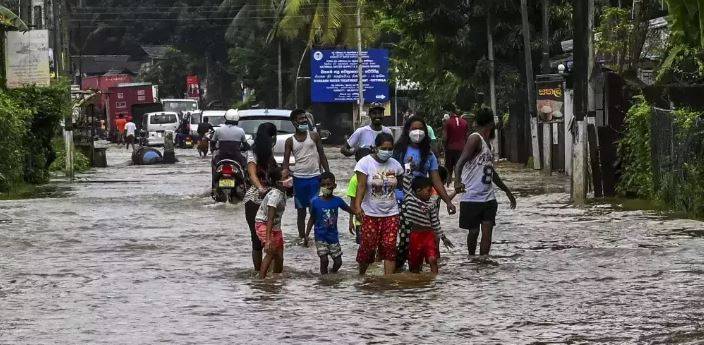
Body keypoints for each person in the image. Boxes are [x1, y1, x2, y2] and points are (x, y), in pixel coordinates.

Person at [393, 116, 457, 270]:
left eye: (421, 129)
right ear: (407, 130)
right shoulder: (399, 150)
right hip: (403, 200)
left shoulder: (429, 155)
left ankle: (419, 276)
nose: (417, 132)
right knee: (404, 241)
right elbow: (395, 174)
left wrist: (448, 201)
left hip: (423, 201)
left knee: (425, 236)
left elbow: (436, 180)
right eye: (414, 128)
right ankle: (398, 271)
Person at [453, 108, 517, 256]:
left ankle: (484, 263)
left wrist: (506, 190)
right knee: (474, 232)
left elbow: (491, 173)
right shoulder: (475, 139)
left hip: (488, 198)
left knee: (487, 233)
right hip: (471, 197)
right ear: (490, 123)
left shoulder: (489, 143)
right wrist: (457, 181)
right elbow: (460, 162)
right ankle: (471, 258)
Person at [353, 132, 404, 276]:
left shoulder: (396, 165)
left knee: (389, 247)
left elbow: (400, 187)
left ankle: (387, 281)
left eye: (390, 149)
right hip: (370, 213)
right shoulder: (365, 163)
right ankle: (361, 275)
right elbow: (361, 186)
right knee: (368, 248)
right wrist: (357, 206)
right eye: (384, 148)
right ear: (375, 147)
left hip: (391, 213)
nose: (387, 152)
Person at [283, 109, 330, 239]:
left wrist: (328, 173)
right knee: (301, 212)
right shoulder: (290, 141)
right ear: (294, 122)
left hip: (315, 178)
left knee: (315, 209)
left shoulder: (314, 136)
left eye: (305, 118)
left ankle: (317, 236)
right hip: (299, 180)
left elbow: (322, 154)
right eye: (300, 119)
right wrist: (284, 175)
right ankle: (302, 238)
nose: (304, 120)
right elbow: (285, 163)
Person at [244, 123, 279, 271]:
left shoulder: (268, 154)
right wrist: (261, 188)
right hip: (262, 197)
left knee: (258, 239)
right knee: (269, 236)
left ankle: (260, 274)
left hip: (262, 198)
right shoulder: (254, 154)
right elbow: (252, 174)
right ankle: (267, 274)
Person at [402, 177, 454, 274]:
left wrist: (443, 238)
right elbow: (406, 183)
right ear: (418, 191)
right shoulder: (410, 198)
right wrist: (409, 168)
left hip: (428, 235)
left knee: (433, 259)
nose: (430, 193)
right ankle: (419, 284)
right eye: (428, 191)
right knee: (415, 265)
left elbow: (435, 223)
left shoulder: (431, 204)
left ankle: (434, 280)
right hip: (415, 236)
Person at [304, 172, 353, 275]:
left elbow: (349, 209)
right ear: (320, 186)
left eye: (328, 185)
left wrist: (358, 214)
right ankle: (324, 281)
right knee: (324, 260)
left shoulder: (338, 201)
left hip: (333, 237)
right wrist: (306, 234)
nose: (326, 187)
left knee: (338, 262)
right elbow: (312, 218)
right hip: (320, 236)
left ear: (334, 186)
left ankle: (332, 273)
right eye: (323, 185)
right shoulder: (315, 202)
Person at [255, 167, 291, 278]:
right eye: (286, 177)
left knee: (279, 255)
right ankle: (261, 280)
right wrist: (268, 240)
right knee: (271, 251)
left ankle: (277, 279)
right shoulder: (275, 196)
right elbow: (269, 219)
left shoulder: (283, 193)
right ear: (278, 182)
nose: (289, 179)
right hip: (264, 224)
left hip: (275, 226)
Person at [211, 109, 247, 190]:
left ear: (226, 118)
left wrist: (213, 148)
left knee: (214, 166)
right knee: (245, 166)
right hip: (236, 158)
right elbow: (246, 145)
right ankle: (244, 184)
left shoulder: (218, 130)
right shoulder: (241, 131)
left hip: (221, 157)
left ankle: (214, 185)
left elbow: (212, 143)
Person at [444, 107, 469, 186]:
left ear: (450, 113)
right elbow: (466, 136)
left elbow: (445, 137)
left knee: (448, 168)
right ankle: (458, 183)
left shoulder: (447, 122)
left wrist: (444, 147)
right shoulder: (465, 122)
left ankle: (447, 185)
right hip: (461, 148)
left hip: (450, 148)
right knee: (459, 166)